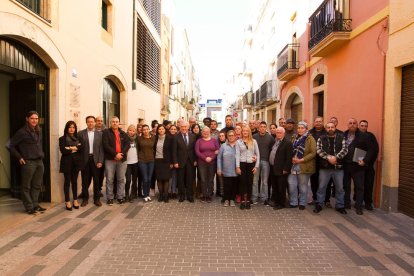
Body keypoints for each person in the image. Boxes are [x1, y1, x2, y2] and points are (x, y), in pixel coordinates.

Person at [7, 111, 46, 215]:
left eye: (36, 119)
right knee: (26, 186)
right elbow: (9, 145)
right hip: (29, 162)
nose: (34, 120)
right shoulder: (22, 132)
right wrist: (19, 157)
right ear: (27, 119)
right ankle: (29, 207)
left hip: (39, 161)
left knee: (37, 185)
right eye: (32, 118)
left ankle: (35, 204)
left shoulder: (38, 130)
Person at [313, 122, 348, 214]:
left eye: (332, 127)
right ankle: (319, 204)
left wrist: (336, 157)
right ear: (326, 128)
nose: (330, 129)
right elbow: (318, 150)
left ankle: (340, 205)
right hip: (325, 167)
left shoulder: (341, 137)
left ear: (335, 127)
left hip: (338, 168)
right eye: (328, 127)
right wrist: (329, 157)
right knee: (321, 187)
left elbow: (345, 149)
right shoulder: (321, 138)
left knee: (340, 188)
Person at [343, 118, 375, 215]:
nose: (352, 125)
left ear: (357, 125)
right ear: (347, 125)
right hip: (346, 165)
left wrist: (365, 161)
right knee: (346, 186)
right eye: (350, 123)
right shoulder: (343, 135)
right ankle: (346, 203)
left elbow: (371, 150)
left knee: (359, 187)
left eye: (354, 123)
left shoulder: (364, 136)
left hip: (358, 166)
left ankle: (358, 206)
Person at [288, 121, 316, 210]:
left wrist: (301, 160)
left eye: (302, 128)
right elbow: (290, 149)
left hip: (303, 165)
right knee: (291, 184)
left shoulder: (310, 139)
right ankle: (293, 202)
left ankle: (302, 203)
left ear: (306, 129)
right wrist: (292, 158)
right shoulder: (294, 137)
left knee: (303, 186)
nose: (300, 129)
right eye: (299, 128)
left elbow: (313, 153)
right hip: (293, 165)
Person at [102, 116, 130, 205]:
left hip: (122, 160)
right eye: (113, 121)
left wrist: (121, 154)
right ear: (111, 123)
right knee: (109, 179)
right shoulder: (106, 132)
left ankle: (120, 197)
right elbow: (105, 145)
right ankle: (110, 197)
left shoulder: (123, 133)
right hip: (110, 159)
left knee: (121, 179)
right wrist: (115, 154)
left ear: (119, 123)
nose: (115, 123)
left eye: (116, 121)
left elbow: (127, 145)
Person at [78, 116, 104, 207]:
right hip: (85, 160)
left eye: (92, 122)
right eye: (89, 122)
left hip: (96, 160)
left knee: (96, 180)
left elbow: (101, 149)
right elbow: (78, 149)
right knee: (85, 181)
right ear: (86, 123)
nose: (90, 123)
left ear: (95, 123)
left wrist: (100, 161)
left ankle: (96, 199)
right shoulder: (80, 134)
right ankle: (85, 199)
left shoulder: (100, 134)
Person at [59, 121, 84, 211]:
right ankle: (67, 201)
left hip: (76, 163)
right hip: (66, 163)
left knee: (74, 182)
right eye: (70, 127)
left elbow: (81, 149)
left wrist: (69, 148)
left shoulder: (78, 138)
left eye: (73, 127)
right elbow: (63, 151)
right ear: (66, 128)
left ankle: (75, 200)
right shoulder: (62, 139)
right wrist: (74, 148)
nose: (71, 129)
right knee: (67, 182)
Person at [236, 126, 260, 210]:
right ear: (242, 132)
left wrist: (256, 166)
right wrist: (237, 166)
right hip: (242, 164)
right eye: (244, 131)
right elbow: (237, 155)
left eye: (247, 131)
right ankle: (242, 201)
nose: (245, 132)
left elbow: (257, 154)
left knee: (250, 183)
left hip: (251, 164)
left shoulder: (254, 141)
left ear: (249, 132)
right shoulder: (238, 142)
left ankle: (248, 201)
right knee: (242, 183)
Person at [269, 127, 293, 209]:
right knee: (275, 186)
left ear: (284, 133)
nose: (278, 134)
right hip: (273, 167)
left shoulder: (288, 143)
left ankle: (281, 204)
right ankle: (276, 201)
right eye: (277, 132)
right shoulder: (275, 141)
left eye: (280, 132)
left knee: (281, 187)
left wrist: (286, 169)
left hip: (282, 169)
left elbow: (289, 158)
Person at [173, 121, 197, 202]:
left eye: (185, 127)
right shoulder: (176, 137)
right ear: (180, 127)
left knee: (190, 179)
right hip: (180, 162)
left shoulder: (193, 136)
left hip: (190, 161)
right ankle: (182, 195)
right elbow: (174, 151)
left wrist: (195, 160)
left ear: (188, 127)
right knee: (180, 179)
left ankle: (190, 196)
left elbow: (195, 150)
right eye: (182, 127)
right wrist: (175, 162)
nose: (183, 128)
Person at [195, 127, 220, 202]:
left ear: (209, 132)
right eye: (204, 131)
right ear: (202, 132)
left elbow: (217, 150)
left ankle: (209, 195)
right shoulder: (199, 141)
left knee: (210, 179)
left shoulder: (214, 141)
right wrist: (205, 158)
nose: (205, 133)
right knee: (203, 179)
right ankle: (204, 195)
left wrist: (211, 158)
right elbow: (197, 152)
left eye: (207, 131)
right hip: (202, 162)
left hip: (212, 163)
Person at [359, 120, 379, 210]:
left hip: (368, 166)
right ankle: (357, 200)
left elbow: (375, 150)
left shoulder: (371, 136)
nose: (363, 127)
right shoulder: (356, 136)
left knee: (369, 184)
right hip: (357, 166)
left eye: (365, 126)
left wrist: (368, 162)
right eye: (362, 125)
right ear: (359, 126)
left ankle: (368, 203)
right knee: (358, 185)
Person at [252, 121, 274, 205]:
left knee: (265, 181)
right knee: (255, 181)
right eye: (261, 126)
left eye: (264, 126)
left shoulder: (270, 138)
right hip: (256, 162)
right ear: (259, 128)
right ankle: (254, 198)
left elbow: (272, 150)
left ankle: (264, 198)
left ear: (266, 128)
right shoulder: (254, 137)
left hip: (266, 162)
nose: (262, 128)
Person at [154, 124, 174, 203]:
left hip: (166, 161)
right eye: (159, 129)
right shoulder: (155, 138)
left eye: (162, 129)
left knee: (166, 179)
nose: (161, 130)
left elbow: (172, 151)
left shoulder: (169, 138)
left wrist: (172, 162)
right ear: (157, 130)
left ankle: (166, 196)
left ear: (165, 130)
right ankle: (161, 195)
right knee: (159, 179)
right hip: (157, 161)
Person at [217, 130, 238, 207]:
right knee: (226, 185)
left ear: (235, 136)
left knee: (234, 186)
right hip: (226, 170)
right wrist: (219, 168)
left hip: (236, 170)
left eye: (232, 135)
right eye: (229, 135)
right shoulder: (223, 146)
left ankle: (232, 199)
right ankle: (226, 199)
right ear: (227, 137)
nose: (231, 137)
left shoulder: (238, 145)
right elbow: (219, 158)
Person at [309, 116, 327, 203]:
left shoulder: (326, 133)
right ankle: (315, 198)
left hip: (324, 161)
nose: (318, 123)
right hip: (313, 161)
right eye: (316, 121)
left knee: (324, 181)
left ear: (323, 122)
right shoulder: (309, 133)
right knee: (314, 181)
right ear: (314, 123)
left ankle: (326, 200)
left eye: (320, 121)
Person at [137, 124, 156, 202]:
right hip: (142, 160)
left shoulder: (153, 138)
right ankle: (145, 194)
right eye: (144, 129)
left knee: (149, 178)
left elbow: (154, 149)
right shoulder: (139, 139)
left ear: (149, 130)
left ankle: (148, 194)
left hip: (151, 160)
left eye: (147, 129)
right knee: (145, 178)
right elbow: (137, 149)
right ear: (142, 130)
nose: (145, 131)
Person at [125, 125, 139, 202]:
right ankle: (126, 194)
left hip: (135, 162)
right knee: (128, 180)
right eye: (130, 130)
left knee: (134, 180)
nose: (131, 132)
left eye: (133, 131)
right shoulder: (124, 138)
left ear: (135, 132)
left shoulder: (137, 139)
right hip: (127, 163)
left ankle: (132, 195)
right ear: (127, 131)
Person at [168, 125, 178, 198]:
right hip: (169, 161)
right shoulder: (167, 138)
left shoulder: (178, 137)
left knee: (174, 176)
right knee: (169, 177)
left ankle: (174, 191)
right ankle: (168, 191)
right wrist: (171, 162)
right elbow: (168, 151)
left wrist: (175, 161)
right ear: (169, 130)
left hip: (177, 160)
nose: (173, 130)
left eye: (175, 129)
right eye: (172, 129)